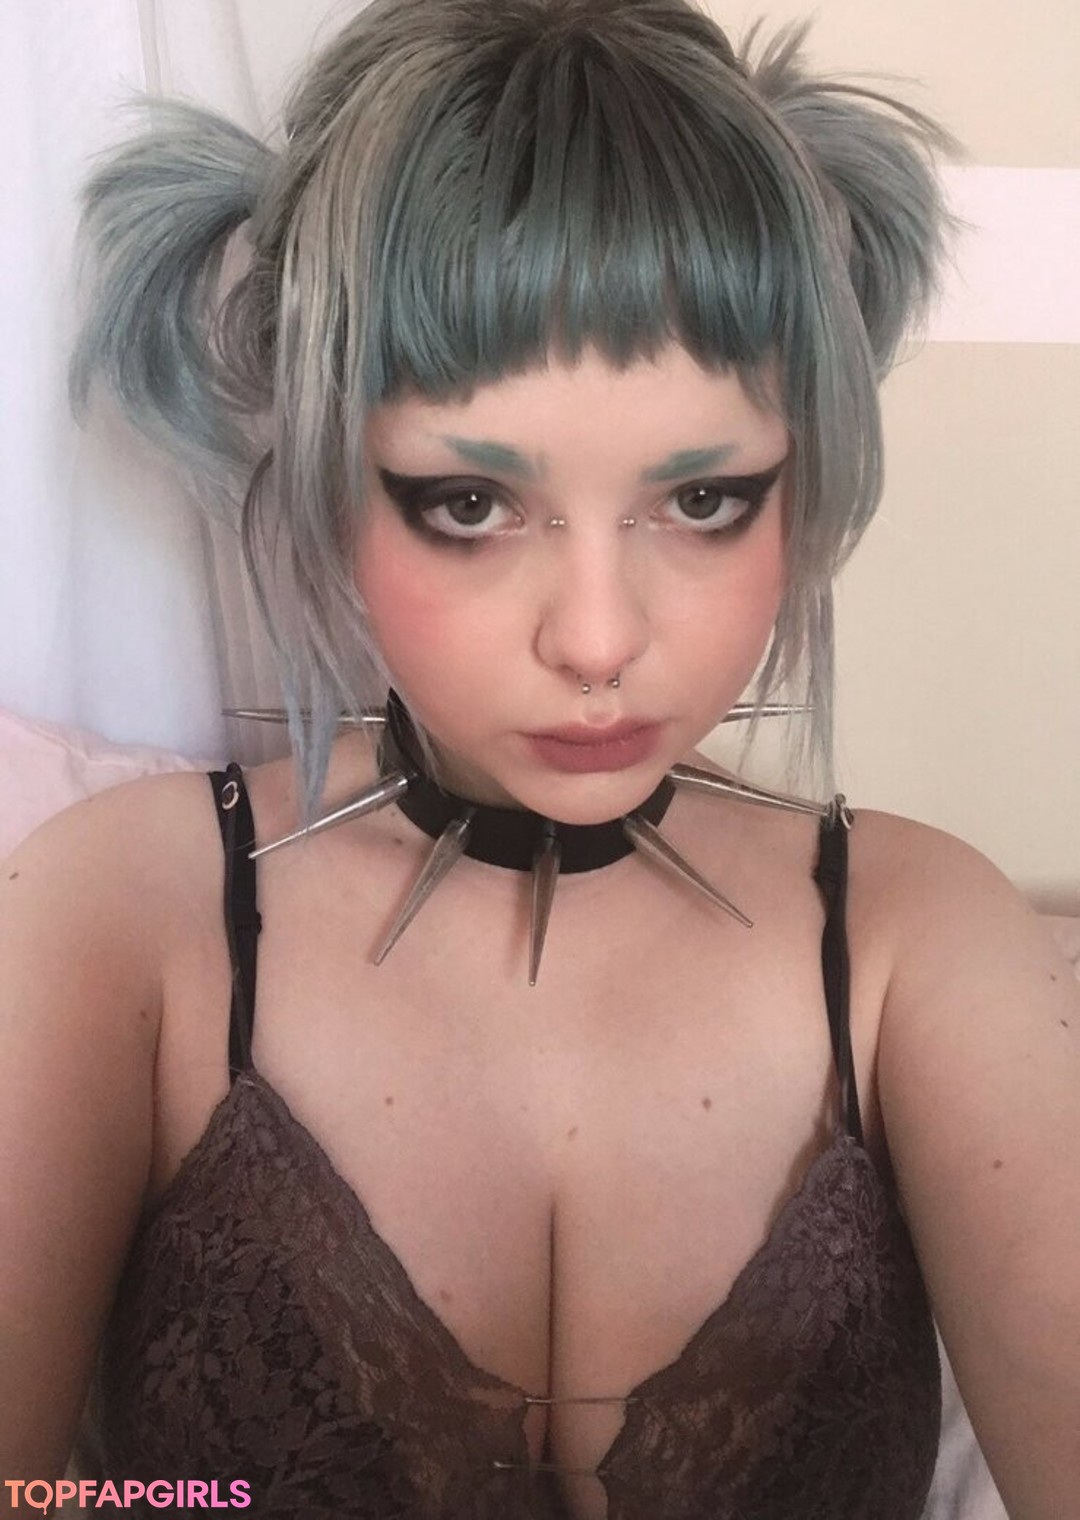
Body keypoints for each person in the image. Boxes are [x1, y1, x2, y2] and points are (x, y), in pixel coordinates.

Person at [1, 0, 1077, 1515]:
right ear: (324, 472)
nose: (596, 636)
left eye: (702, 501)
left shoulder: (919, 942)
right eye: (470, 505)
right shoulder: (123, 920)